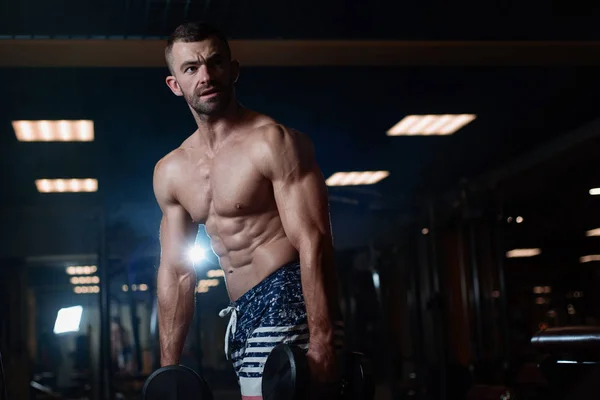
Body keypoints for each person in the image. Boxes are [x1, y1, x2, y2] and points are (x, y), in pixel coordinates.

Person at [153, 21, 344, 399]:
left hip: (288, 296)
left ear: (233, 70)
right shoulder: (171, 170)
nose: (205, 75)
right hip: (241, 313)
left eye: (215, 63)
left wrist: (322, 339)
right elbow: (176, 273)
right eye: (191, 68)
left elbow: (314, 240)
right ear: (175, 84)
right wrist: (168, 371)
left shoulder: (273, 142)